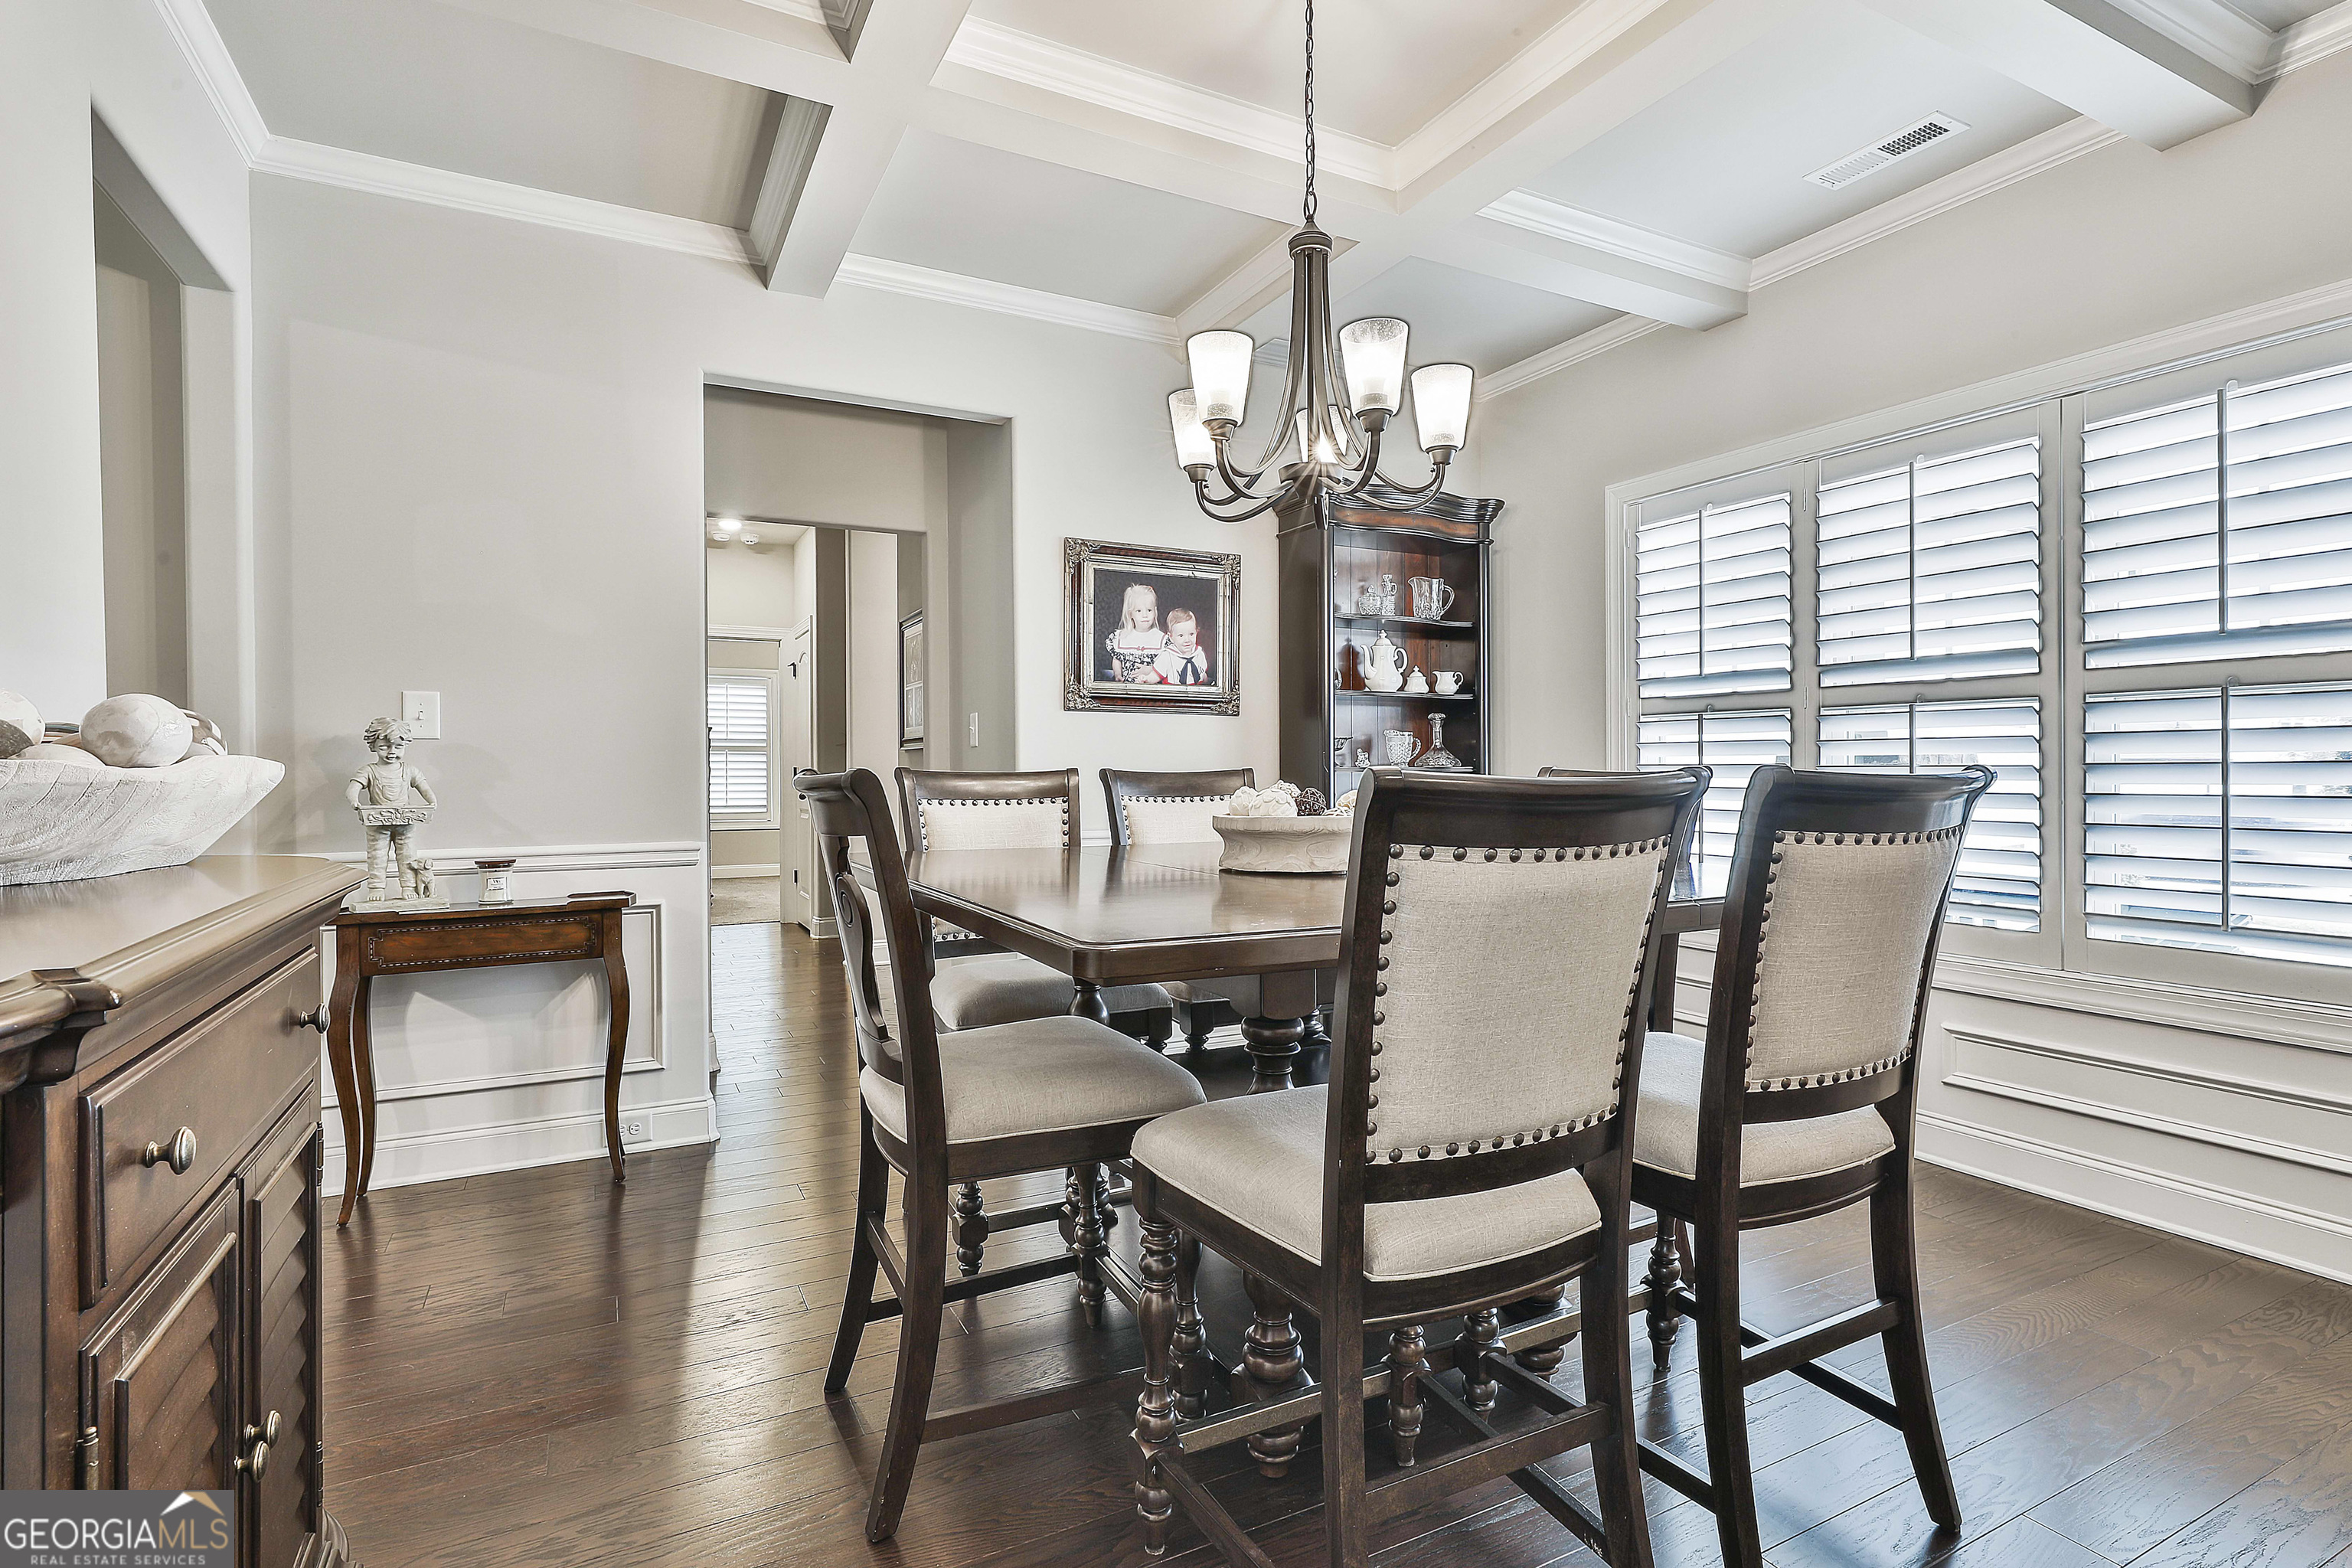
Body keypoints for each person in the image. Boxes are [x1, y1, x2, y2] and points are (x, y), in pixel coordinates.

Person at [348, 717, 438, 901]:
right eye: (384, 747)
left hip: (405, 821)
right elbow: (352, 789)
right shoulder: (369, 771)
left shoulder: (410, 770)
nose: (391, 752)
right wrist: (355, 801)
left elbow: (425, 789)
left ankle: (408, 886)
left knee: (408, 856)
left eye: (398, 747)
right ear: (373, 747)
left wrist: (432, 802)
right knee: (377, 856)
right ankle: (376, 888)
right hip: (377, 822)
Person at [1105, 581, 1167, 684]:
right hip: (1126, 688)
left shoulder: (1160, 639)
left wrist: (1150, 669)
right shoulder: (1122, 637)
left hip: (1151, 689)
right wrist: (1118, 675)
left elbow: (1166, 664)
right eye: (1139, 611)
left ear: (1155, 612)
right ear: (1131, 614)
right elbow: (1117, 660)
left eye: (1149, 610)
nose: (1145, 615)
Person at [1152, 609, 1213, 686]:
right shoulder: (1167, 656)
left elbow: (1203, 674)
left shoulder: (1199, 653)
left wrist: (1208, 683)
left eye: (1191, 634)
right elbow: (1156, 676)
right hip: (1175, 693)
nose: (1187, 640)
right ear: (1171, 637)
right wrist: (1146, 679)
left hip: (1196, 692)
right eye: (1181, 636)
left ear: (1196, 633)